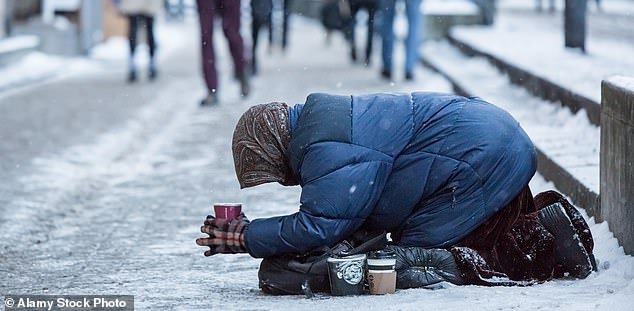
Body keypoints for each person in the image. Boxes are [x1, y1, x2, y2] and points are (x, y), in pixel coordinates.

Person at [196, 92, 595, 291]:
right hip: (491, 145)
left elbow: (322, 226)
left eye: (274, 174)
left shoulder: (324, 147)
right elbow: (349, 214)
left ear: (274, 149)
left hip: (480, 160)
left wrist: (247, 236)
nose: (284, 181)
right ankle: (542, 231)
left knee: (410, 258)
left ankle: (545, 247)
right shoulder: (327, 125)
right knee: (419, 241)